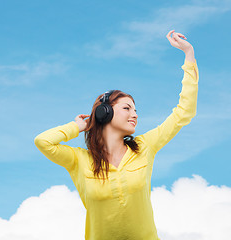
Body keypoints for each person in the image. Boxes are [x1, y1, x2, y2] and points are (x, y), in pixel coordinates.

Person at [34, 29, 199, 240]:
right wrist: (77, 127)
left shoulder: (145, 146)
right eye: (127, 108)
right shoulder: (79, 160)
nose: (135, 115)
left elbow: (184, 113)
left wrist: (188, 54)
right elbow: (43, 142)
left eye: (136, 110)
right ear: (105, 113)